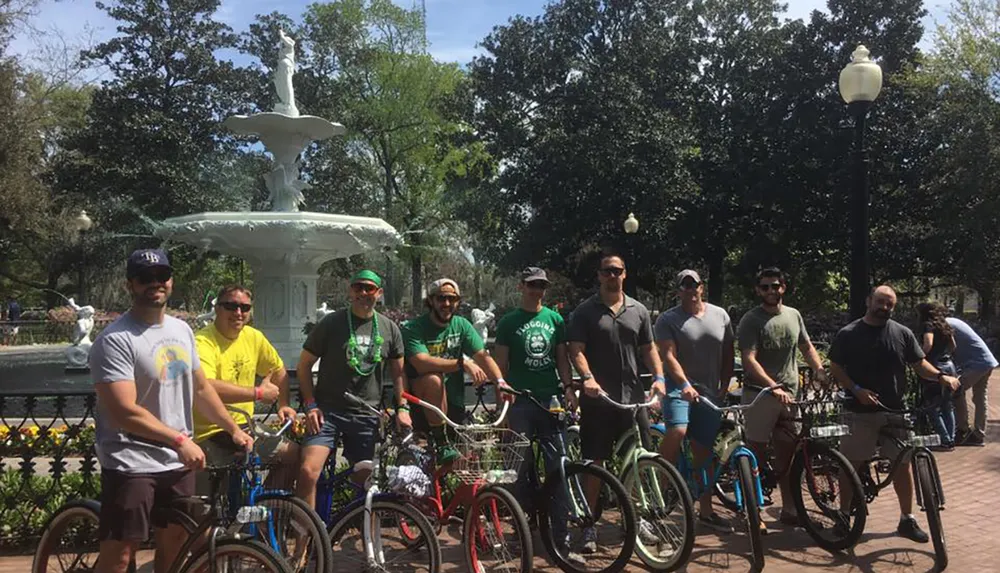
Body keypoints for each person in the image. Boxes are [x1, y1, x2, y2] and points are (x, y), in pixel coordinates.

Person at [90, 249, 253, 573]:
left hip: (176, 461)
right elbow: (125, 411)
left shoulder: (181, 331)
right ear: (130, 285)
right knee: (121, 555)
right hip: (131, 459)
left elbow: (202, 389)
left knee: (177, 547)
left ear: (171, 281)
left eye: (161, 276)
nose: (155, 283)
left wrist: (233, 429)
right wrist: (180, 440)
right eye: (145, 278)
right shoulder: (115, 340)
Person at [830, 285, 960, 543]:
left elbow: (919, 364)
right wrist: (856, 390)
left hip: (895, 410)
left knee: (903, 465)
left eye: (890, 304)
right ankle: (844, 515)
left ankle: (906, 519)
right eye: (880, 302)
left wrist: (941, 376)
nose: (884, 307)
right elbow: (835, 366)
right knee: (851, 464)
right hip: (859, 411)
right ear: (869, 301)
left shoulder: (902, 333)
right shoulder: (849, 333)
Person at [567, 253, 666, 552]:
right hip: (599, 400)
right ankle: (588, 525)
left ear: (625, 274)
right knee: (595, 464)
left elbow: (649, 348)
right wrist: (587, 377)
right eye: (607, 271)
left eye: (617, 271)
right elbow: (576, 349)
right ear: (599, 275)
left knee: (638, 460)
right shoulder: (585, 312)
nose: (612, 275)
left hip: (633, 399)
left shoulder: (639, 310)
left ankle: (635, 519)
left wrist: (659, 378)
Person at [295, 270, 405, 507]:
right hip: (327, 412)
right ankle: (305, 539)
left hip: (366, 414)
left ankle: (361, 531)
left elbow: (398, 375)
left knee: (365, 483)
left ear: (379, 293)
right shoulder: (331, 323)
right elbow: (303, 366)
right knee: (308, 472)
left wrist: (402, 408)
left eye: (369, 288)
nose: (363, 293)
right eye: (358, 288)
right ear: (350, 291)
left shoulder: (389, 329)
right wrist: (310, 404)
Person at [736, 267, 827, 529]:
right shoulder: (751, 320)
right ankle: (755, 512)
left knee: (788, 456)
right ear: (757, 290)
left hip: (792, 395)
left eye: (775, 286)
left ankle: (789, 510)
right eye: (765, 287)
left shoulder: (793, 315)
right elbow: (748, 359)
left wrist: (819, 370)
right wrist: (772, 386)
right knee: (757, 455)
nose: (770, 291)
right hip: (761, 395)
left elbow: (806, 346)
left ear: (783, 287)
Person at [493, 267, 575, 550]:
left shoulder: (555, 320)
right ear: (521, 286)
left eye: (541, 285)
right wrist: (500, 408)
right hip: (519, 402)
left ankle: (561, 531)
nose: (537, 290)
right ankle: (522, 528)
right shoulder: (508, 322)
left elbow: (562, 359)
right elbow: (500, 368)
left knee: (559, 465)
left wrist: (567, 388)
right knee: (518, 467)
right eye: (532, 285)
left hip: (549, 399)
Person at [193, 285, 298, 488]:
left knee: (293, 455)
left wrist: (283, 404)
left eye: (244, 307)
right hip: (210, 432)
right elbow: (206, 386)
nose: (238, 313)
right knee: (209, 508)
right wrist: (258, 393)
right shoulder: (203, 341)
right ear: (217, 309)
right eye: (231, 306)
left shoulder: (253, 337)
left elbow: (278, 369)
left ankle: (266, 509)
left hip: (246, 427)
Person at [654, 269, 734, 533]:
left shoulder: (720, 315)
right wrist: (684, 384)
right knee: (677, 430)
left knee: (704, 452)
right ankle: (661, 486)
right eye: (684, 286)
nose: (690, 290)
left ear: (702, 287)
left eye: (694, 285)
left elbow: (728, 352)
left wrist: (724, 385)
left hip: (709, 392)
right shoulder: (668, 319)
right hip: (680, 389)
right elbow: (667, 356)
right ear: (678, 291)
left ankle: (707, 511)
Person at [403, 277, 508, 463]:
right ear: (431, 301)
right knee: (433, 378)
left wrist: (500, 382)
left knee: (461, 467)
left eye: (452, 299)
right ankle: (441, 442)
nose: (447, 303)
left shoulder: (461, 325)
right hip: (422, 409)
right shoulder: (414, 328)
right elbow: (421, 362)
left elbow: (483, 357)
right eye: (441, 298)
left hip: (453, 403)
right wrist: (462, 363)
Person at [915, 302, 959, 449]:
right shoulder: (944, 325)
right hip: (949, 365)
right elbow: (953, 346)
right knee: (947, 405)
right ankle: (951, 439)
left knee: (932, 405)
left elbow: (928, 344)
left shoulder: (927, 325)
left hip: (935, 366)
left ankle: (944, 439)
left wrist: (917, 357)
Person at [948, 316, 997, 447]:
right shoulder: (953, 321)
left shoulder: (945, 325)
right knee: (980, 397)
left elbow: (951, 347)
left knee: (957, 389)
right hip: (987, 361)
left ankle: (963, 429)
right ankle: (978, 435)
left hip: (976, 364)